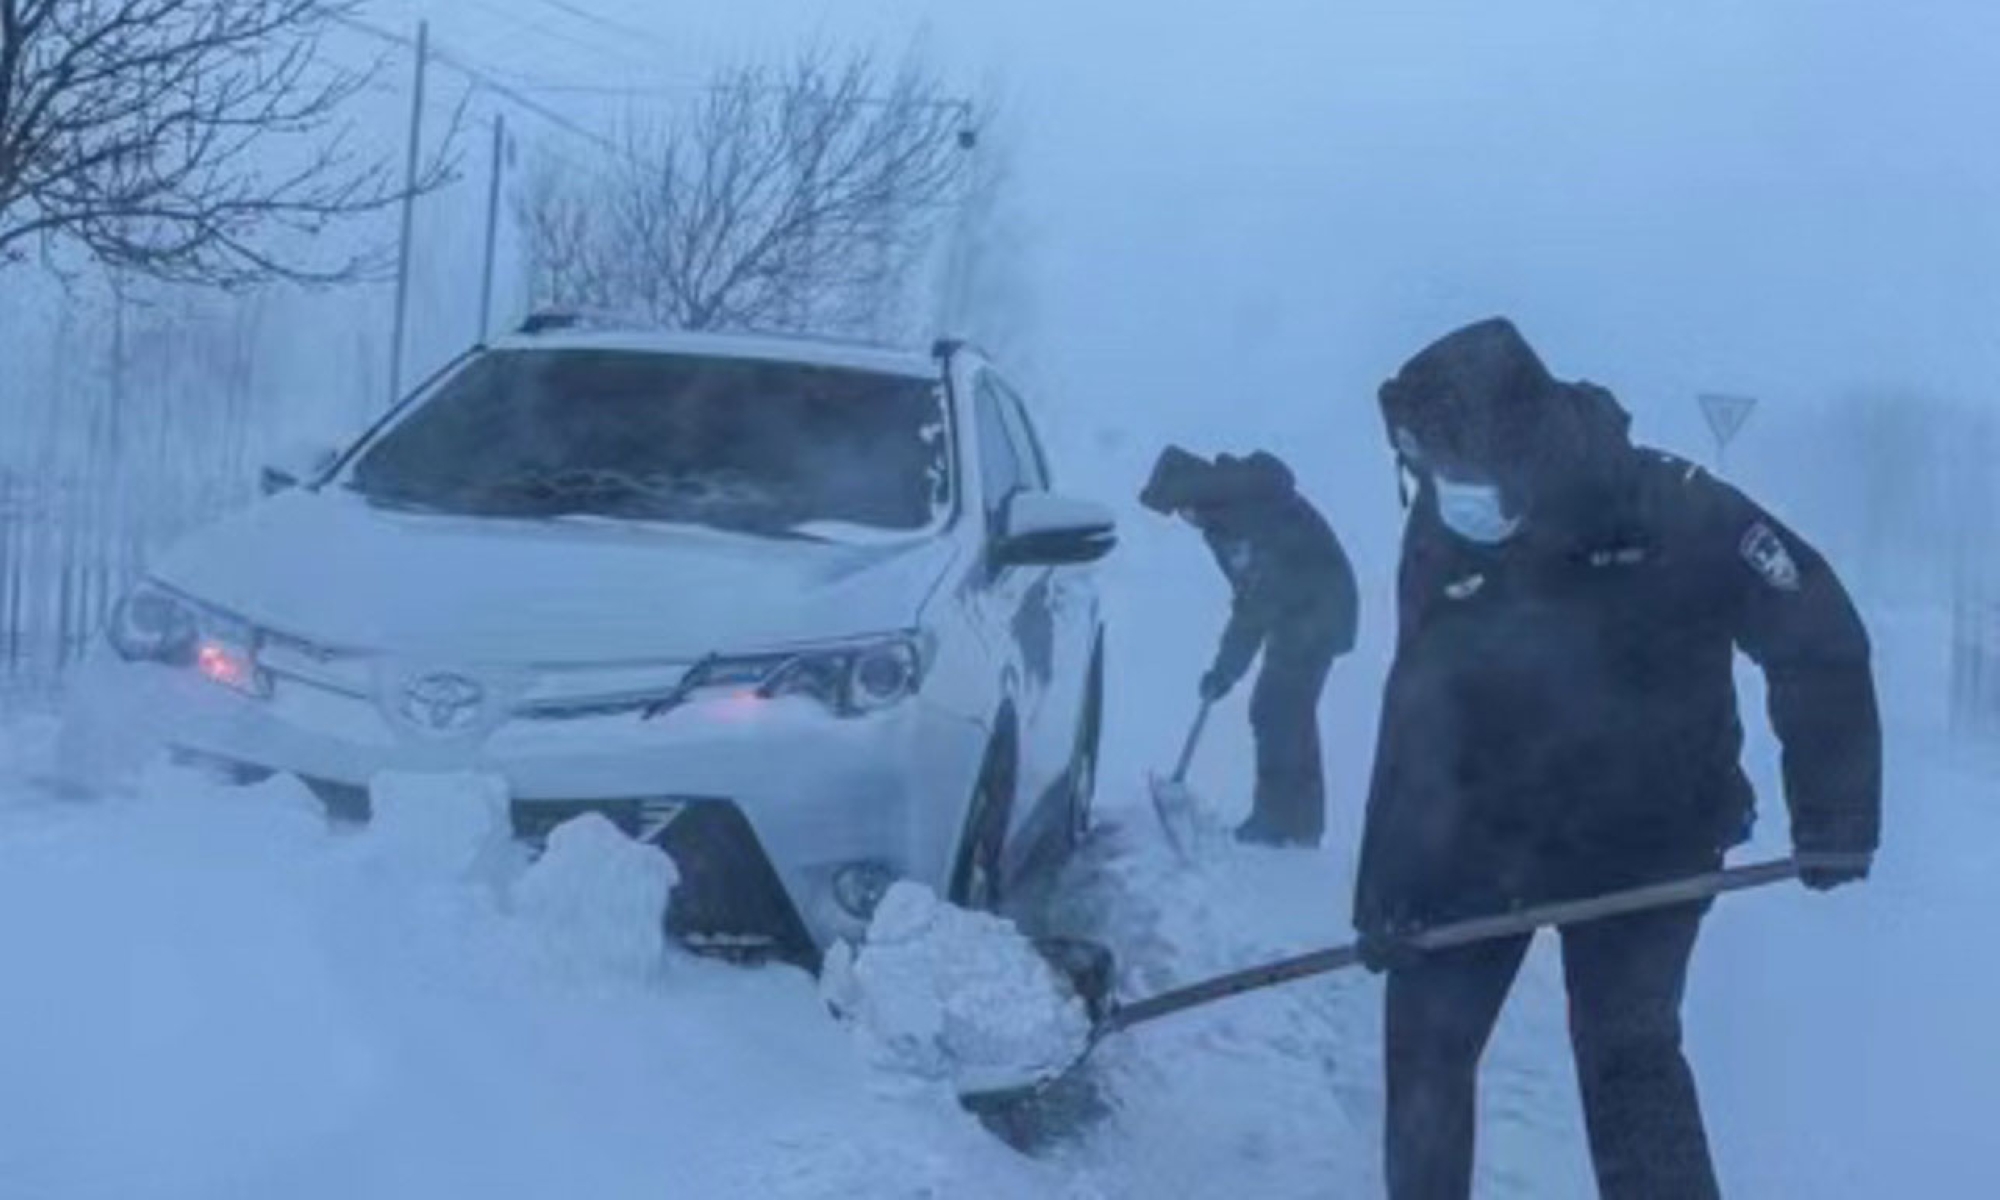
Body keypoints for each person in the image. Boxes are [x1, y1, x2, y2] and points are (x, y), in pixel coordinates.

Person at [1354, 317, 1881, 1199]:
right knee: (1424, 1053)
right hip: (1482, 839)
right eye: (1428, 473)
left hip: (1649, 844)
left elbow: (1815, 631)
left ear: (1516, 446)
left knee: (1628, 1057)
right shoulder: (1445, 525)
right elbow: (1417, 705)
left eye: (1458, 469)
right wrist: (1387, 888)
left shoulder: (1675, 506)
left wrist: (1836, 812)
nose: (1445, 491)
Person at [1140, 446, 1359, 848]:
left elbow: (1257, 603)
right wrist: (1225, 669)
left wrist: (1225, 671)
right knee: (1287, 712)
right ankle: (1300, 824)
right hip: (1309, 609)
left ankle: (1277, 822)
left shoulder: (1238, 515)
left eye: (1180, 508)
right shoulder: (1232, 508)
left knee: (1275, 710)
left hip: (1314, 614)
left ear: (1193, 494)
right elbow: (1252, 599)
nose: (1183, 519)